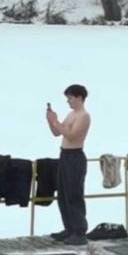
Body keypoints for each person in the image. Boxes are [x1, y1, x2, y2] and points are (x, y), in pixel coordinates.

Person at [46, 84, 92, 246]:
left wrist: (56, 121)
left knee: (74, 194)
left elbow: (71, 135)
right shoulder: (71, 114)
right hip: (64, 155)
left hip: (75, 156)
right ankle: (69, 228)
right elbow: (57, 133)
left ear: (79, 98)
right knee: (63, 194)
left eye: (70, 98)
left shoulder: (84, 116)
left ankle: (79, 232)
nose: (68, 101)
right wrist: (51, 121)